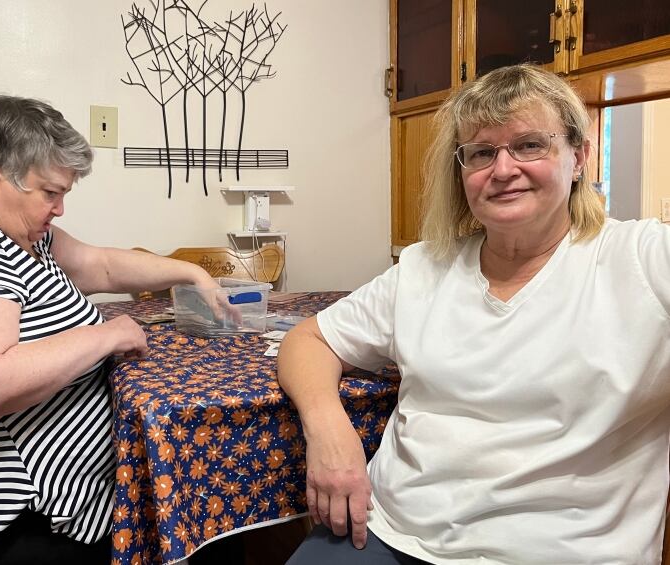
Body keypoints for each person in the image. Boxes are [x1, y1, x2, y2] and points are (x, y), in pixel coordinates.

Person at [279, 63, 670, 564]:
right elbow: (309, 340)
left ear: (579, 157)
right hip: (390, 533)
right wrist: (328, 428)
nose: (503, 170)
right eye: (482, 153)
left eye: (530, 144)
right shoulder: (425, 266)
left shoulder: (641, 259)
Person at [0, 95, 222, 565]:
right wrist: (106, 334)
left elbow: (102, 267)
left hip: (43, 507)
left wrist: (190, 273)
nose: (60, 208)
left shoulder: (17, 234)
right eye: (50, 192)